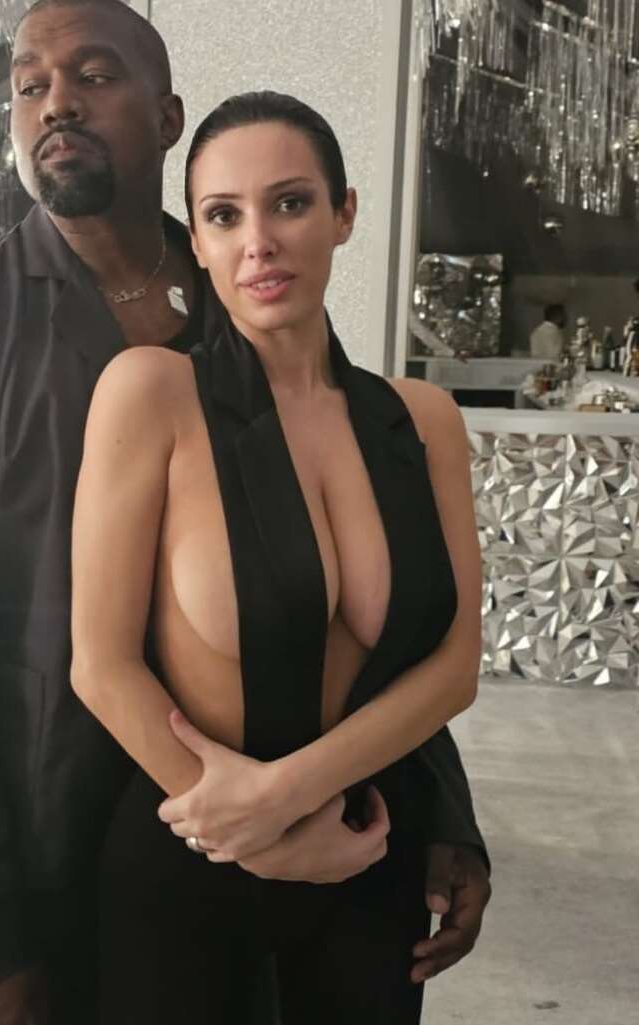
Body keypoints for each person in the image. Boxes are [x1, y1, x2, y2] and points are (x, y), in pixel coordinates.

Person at [0, 3, 491, 1024]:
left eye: (94, 74)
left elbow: (370, 577)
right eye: (29, 85)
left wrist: (437, 806)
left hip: (326, 848)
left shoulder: (248, 282)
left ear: (166, 116)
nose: (56, 103)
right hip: (66, 847)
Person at [71, 90, 482, 1025]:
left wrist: (291, 800)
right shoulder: (150, 393)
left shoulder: (424, 421)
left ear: (344, 214)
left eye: (290, 203)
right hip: (190, 848)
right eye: (224, 216)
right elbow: (100, 664)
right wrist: (252, 829)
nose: (258, 242)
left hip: (364, 851)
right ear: (199, 241)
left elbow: (454, 667)